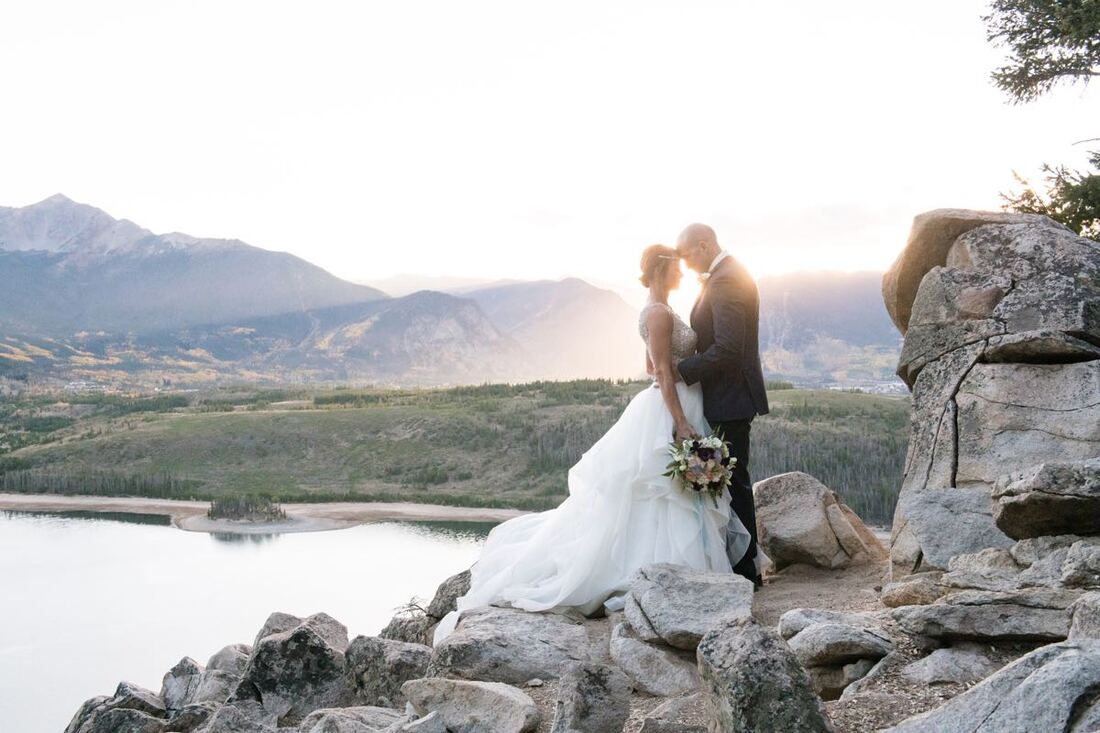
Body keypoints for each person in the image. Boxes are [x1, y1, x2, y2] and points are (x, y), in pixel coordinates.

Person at [432, 244, 751, 645]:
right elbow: (663, 374)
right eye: (677, 269)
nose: (683, 275)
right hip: (672, 409)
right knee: (663, 492)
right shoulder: (656, 313)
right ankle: (664, 573)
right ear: (662, 271)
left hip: (684, 403)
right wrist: (681, 422)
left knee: (673, 493)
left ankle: (681, 573)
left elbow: (651, 366)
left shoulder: (659, 310)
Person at [675, 223, 769, 586]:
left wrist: (682, 369)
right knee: (724, 482)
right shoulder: (725, 276)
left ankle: (746, 571)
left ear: (703, 245)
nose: (684, 264)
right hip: (722, 397)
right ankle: (735, 564)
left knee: (733, 482)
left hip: (730, 399)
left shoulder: (728, 279)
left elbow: (729, 348)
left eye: (686, 255)